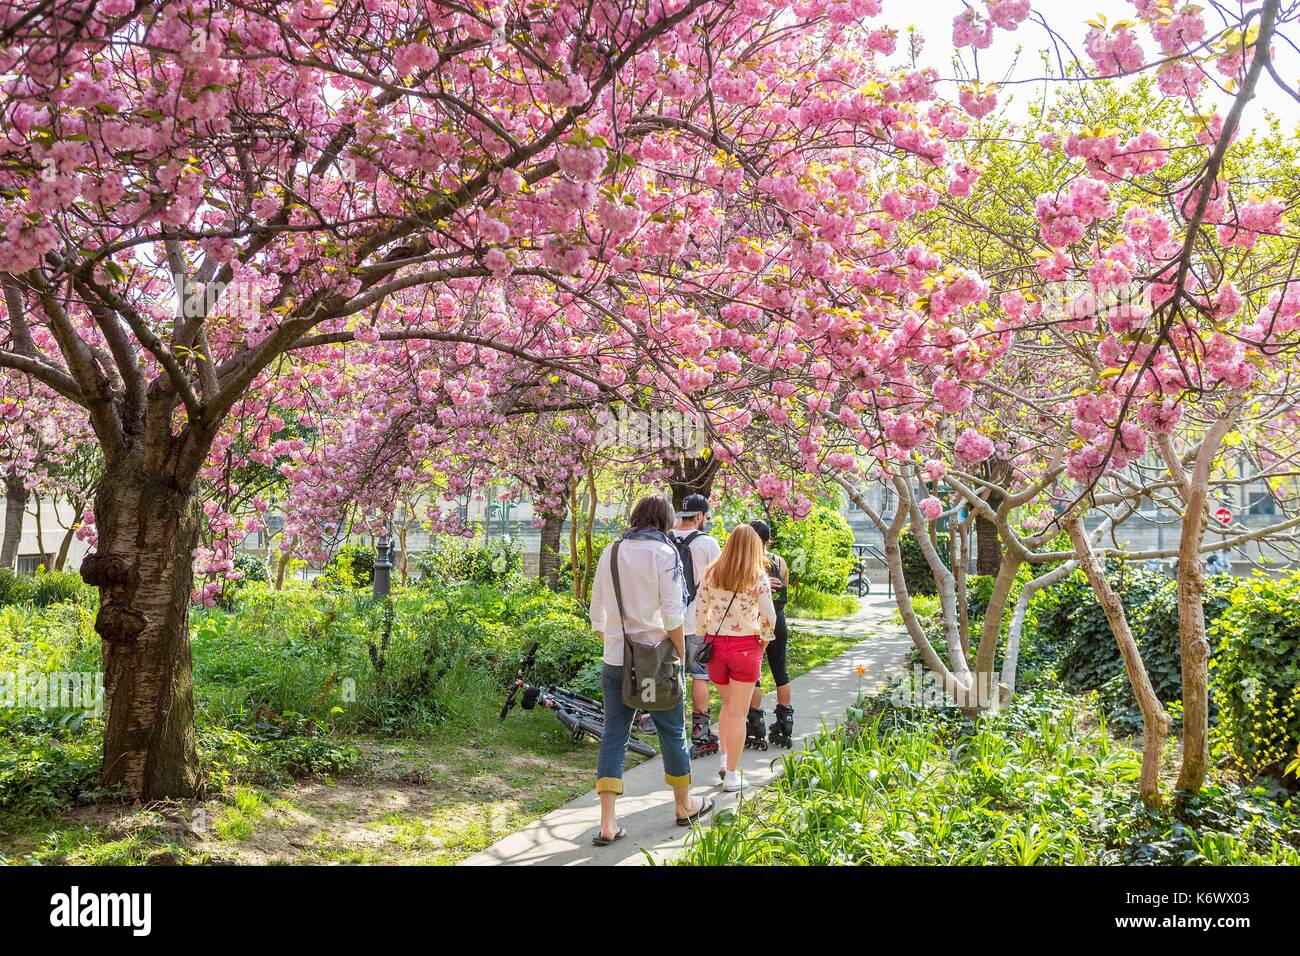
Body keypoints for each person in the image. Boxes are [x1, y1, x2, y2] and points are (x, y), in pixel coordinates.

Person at [588, 495, 714, 845]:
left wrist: (616, 643)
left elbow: (597, 614)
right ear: (664, 521)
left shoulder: (610, 551)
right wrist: (678, 653)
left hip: (616, 659)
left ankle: (608, 823)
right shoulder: (665, 554)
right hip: (657, 662)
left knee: (614, 734)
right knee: (672, 732)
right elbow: (673, 615)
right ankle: (683, 805)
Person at [694, 523, 776, 792]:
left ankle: (725, 758)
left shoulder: (711, 572)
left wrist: (702, 632)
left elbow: (700, 609)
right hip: (745, 648)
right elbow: (770, 617)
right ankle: (731, 775)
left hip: (715, 647)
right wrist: (764, 639)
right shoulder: (757, 577)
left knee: (728, 707)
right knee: (739, 713)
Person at [671, 493, 723, 758]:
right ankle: (701, 734)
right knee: (700, 675)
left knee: (672, 675)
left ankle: (671, 730)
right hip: (699, 621)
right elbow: (720, 582)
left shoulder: (664, 539)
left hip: (669, 622)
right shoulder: (708, 544)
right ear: (701, 516)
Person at [746, 519, 793, 749]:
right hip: (779, 620)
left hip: (755, 621)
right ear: (768, 539)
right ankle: (786, 721)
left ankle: (755, 721)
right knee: (780, 669)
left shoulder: (746, 564)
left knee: (755, 671)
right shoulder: (779, 561)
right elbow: (785, 586)